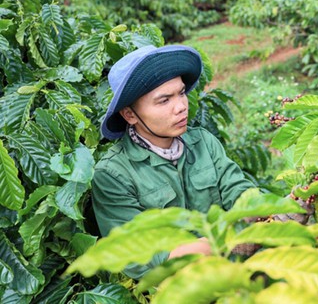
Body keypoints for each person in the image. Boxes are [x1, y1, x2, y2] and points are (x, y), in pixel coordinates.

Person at [92, 44, 255, 278]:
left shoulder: (204, 143)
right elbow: (145, 257)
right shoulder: (113, 175)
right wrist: (227, 240)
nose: (181, 106)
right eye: (164, 100)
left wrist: (263, 212)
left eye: (181, 93)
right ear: (130, 115)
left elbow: (238, 189)